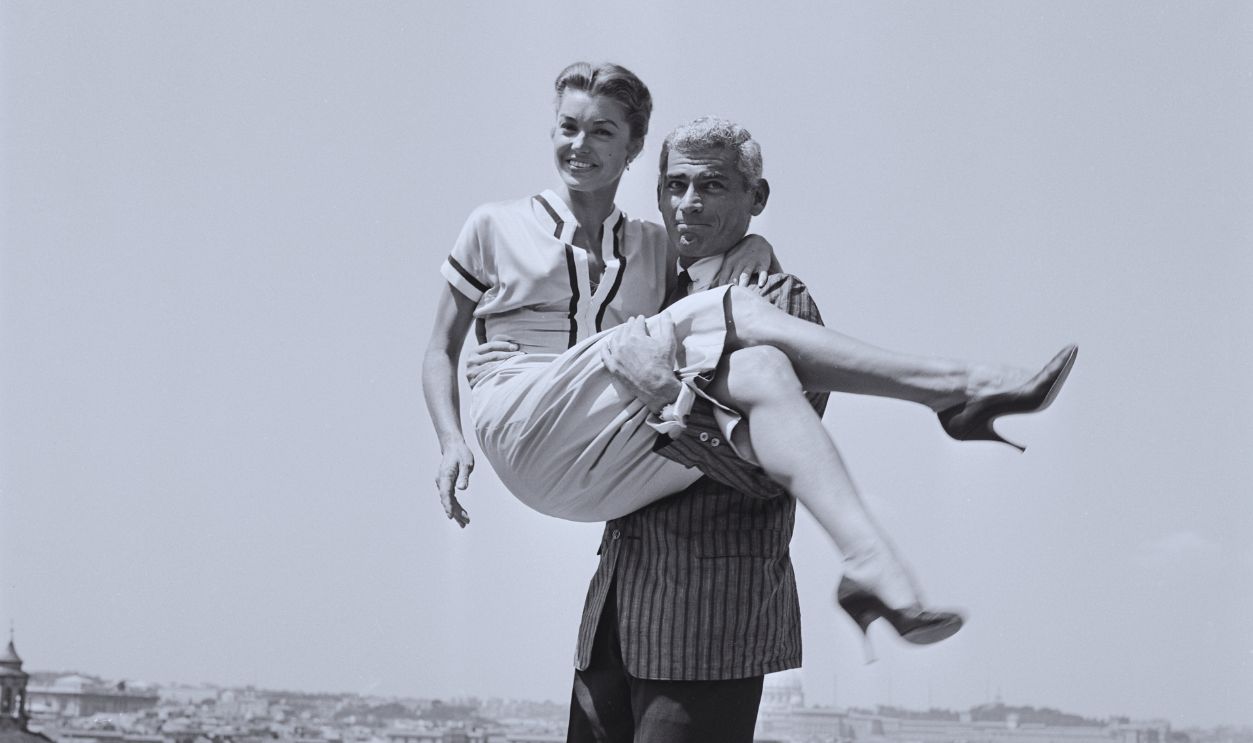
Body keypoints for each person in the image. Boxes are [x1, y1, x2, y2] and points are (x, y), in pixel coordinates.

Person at [422, 62, 1076, 654]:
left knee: (758, 366)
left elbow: (721, 286)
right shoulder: (495, 225)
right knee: (703, 325)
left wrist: (748, 261)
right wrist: (450, 440)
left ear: (630, 149)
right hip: (523, 416)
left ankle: (867, 561)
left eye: (601, 132)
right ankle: (958, 387)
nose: (578, 145)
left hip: (608, 486)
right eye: (567, 127)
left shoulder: (652, 249)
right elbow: (439, 349)